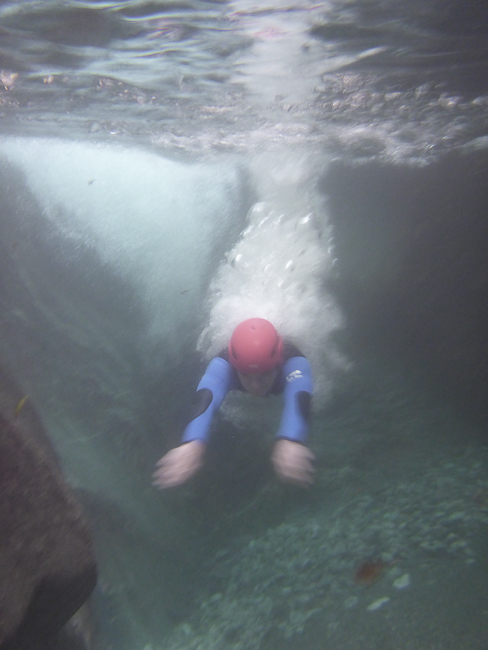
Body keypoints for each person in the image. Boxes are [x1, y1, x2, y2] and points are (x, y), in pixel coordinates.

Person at [152, 318, 315, 489]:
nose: (255, 386)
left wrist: (290, 439)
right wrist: (193, 442)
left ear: (277, 364)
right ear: (235, 368)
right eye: (246, 376)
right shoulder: (223, 365)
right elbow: (205, 399)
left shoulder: (294, 361)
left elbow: (299, 395)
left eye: (264, 375)